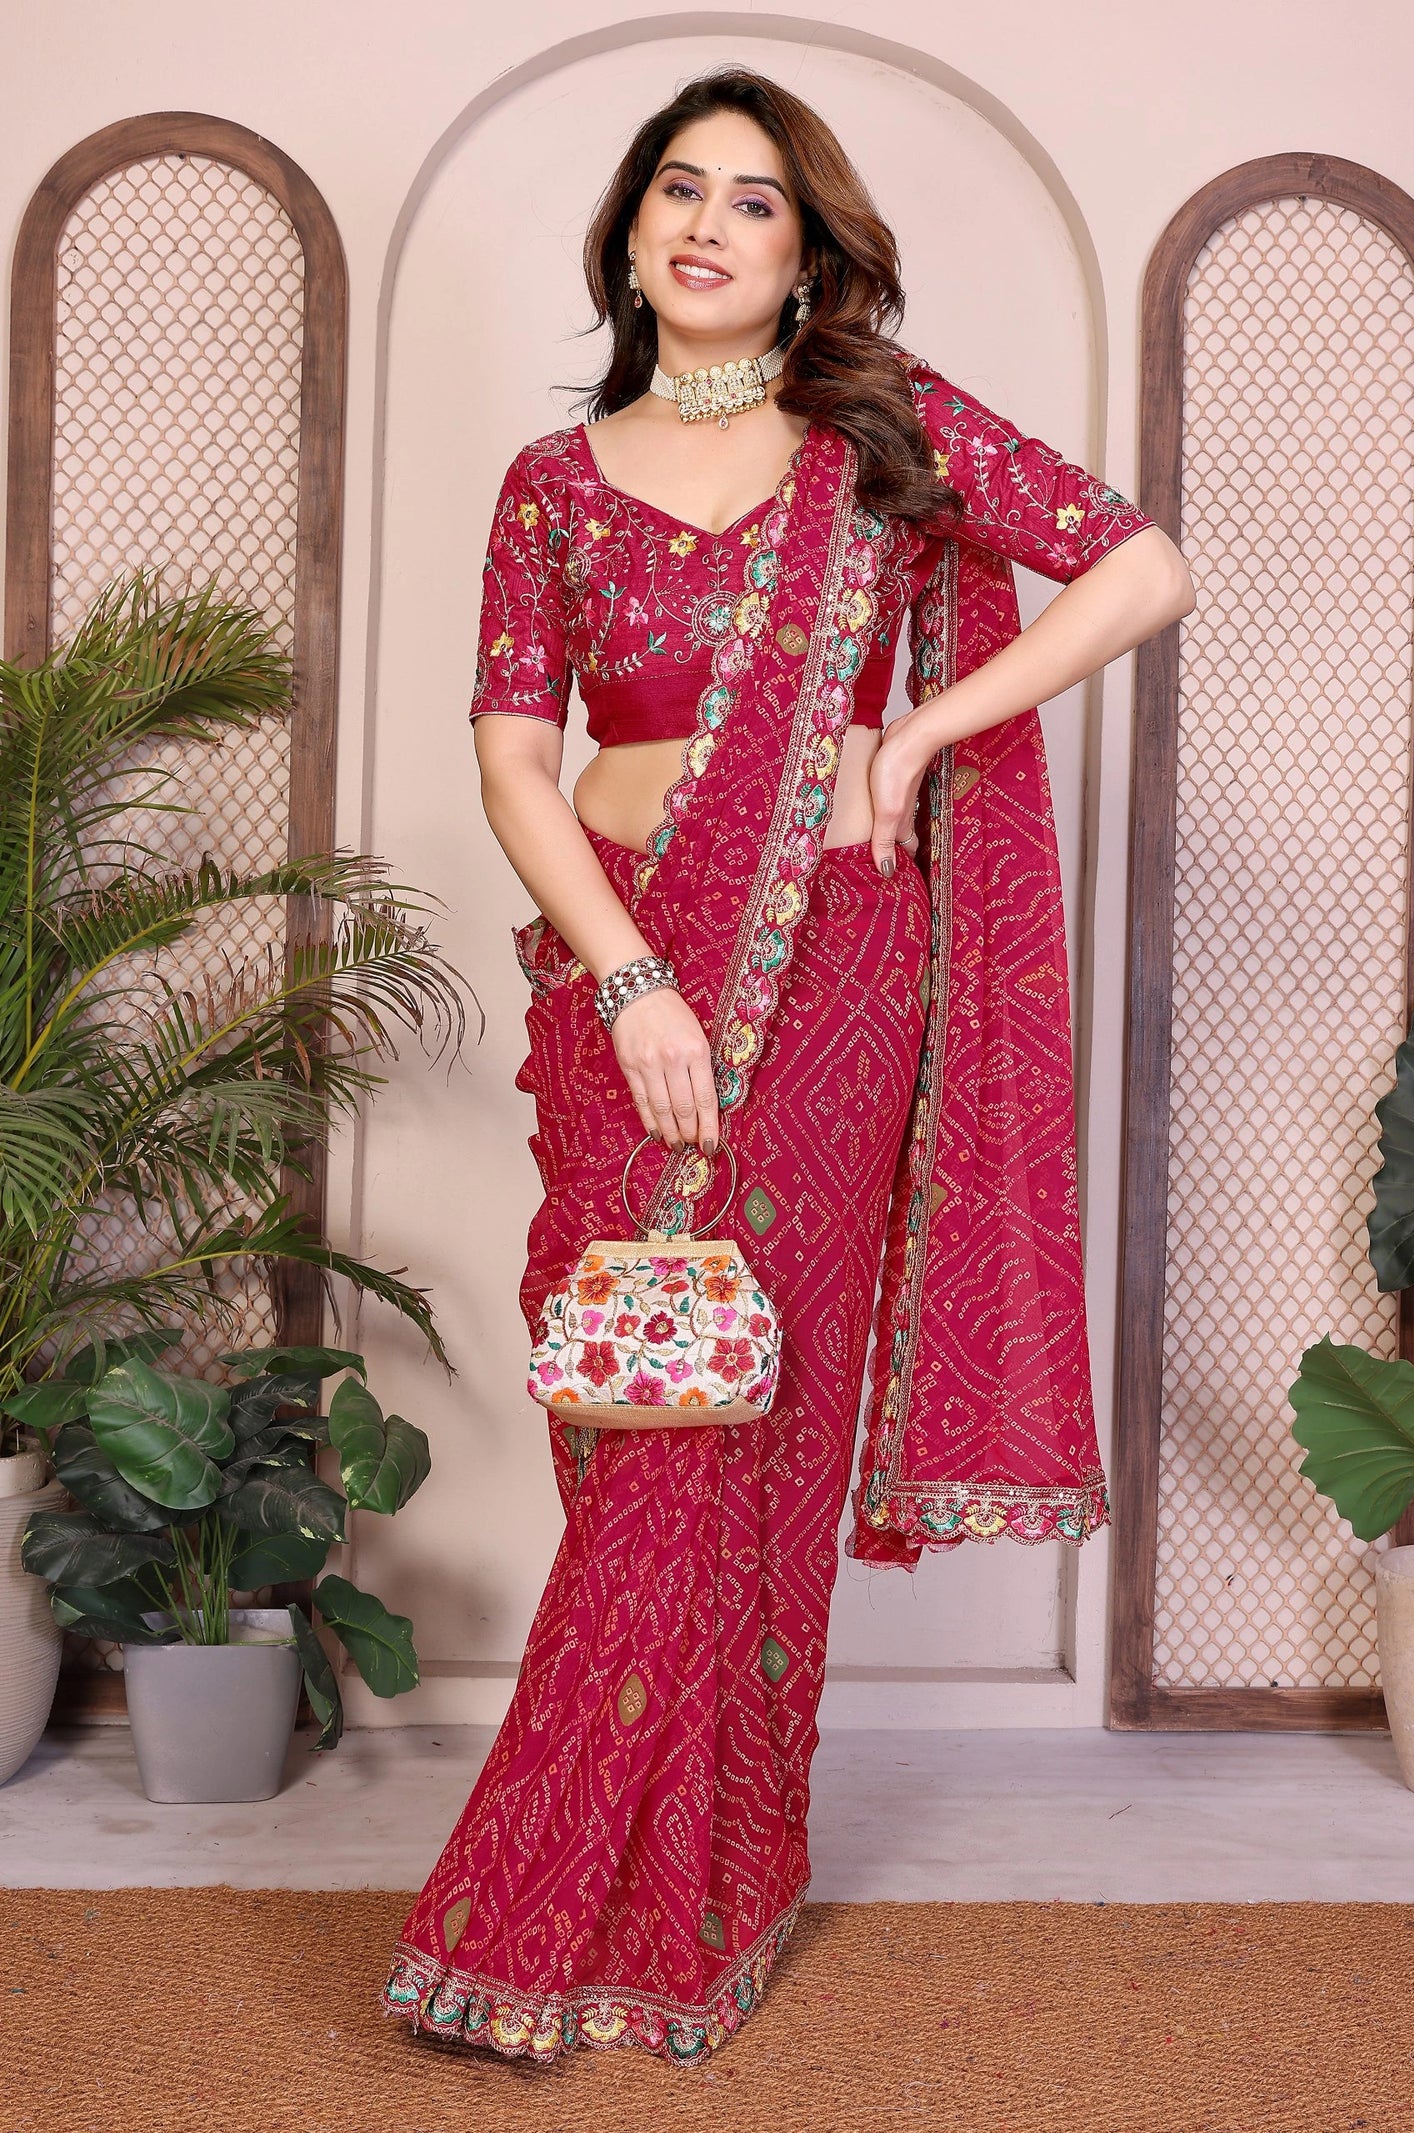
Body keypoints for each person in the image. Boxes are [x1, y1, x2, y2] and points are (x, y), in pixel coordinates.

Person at [381, 65, 1194, 2070]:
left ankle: (664, 1899)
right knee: (634, 1395)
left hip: (832, 974)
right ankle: (625, 1885)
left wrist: (913, 741)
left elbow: (1135, 561)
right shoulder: (548, 489)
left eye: (755, 202)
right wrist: (634, 969)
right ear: (632, 226)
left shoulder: (879, 442)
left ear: (807, 258)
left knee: (751, 1411)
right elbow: (508, 757)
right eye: (680, 187)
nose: (709, 224)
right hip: (615, 968)